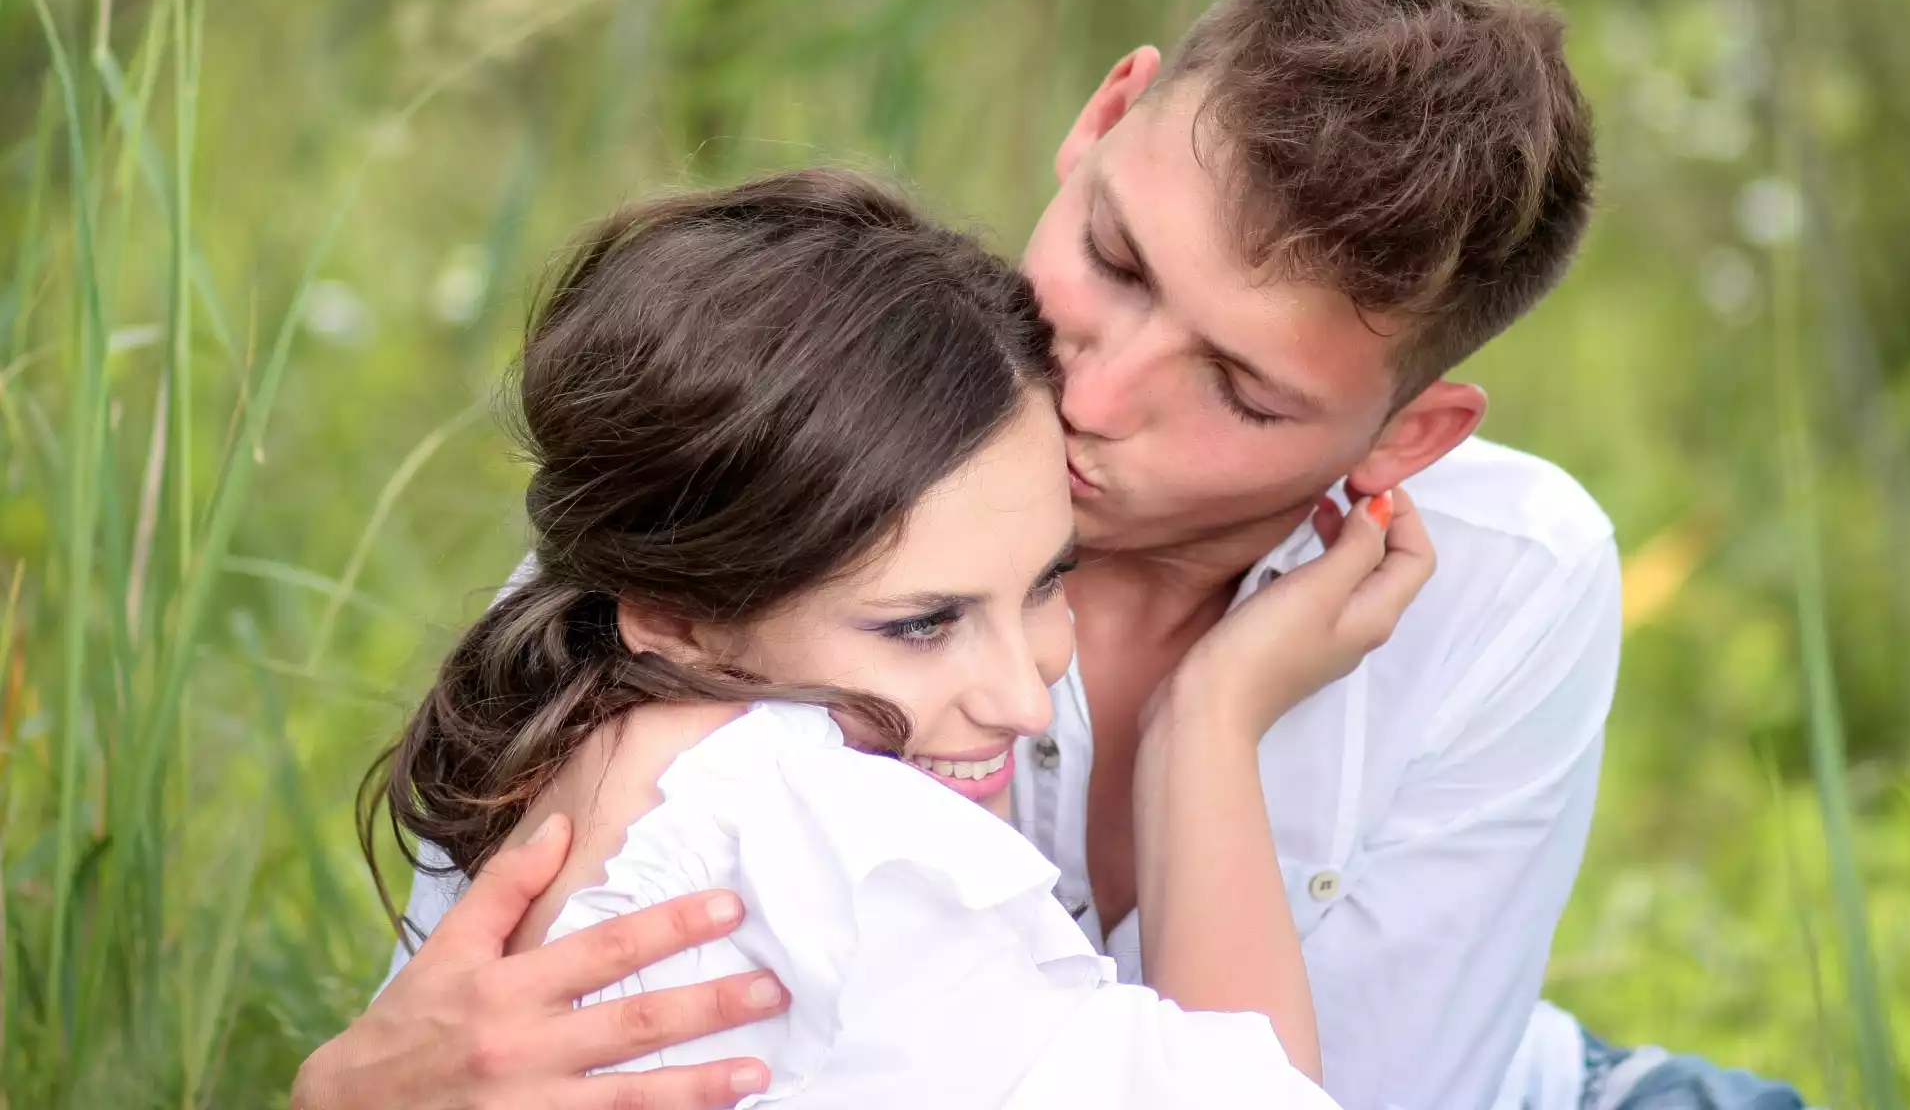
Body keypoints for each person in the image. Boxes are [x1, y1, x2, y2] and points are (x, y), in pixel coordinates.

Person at [294, 0, 1806, 1110]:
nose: (1097, 391)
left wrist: (1210, 725)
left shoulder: (1505, 578)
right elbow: (487, 1034)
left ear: (1406, 437)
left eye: (1241, 390)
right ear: (1103, 120)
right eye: (1117, 261)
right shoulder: (765, 495)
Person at [356, 168, 1431, 1107]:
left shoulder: (596, 744)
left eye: (1049, 581)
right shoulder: (849, 849)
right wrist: (1213, 718)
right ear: (678, 619)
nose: (1023, 700)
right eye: (924, 625)